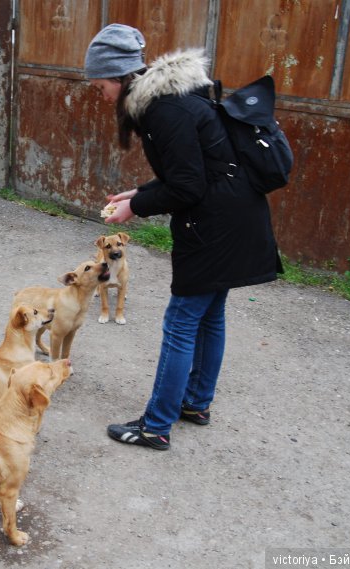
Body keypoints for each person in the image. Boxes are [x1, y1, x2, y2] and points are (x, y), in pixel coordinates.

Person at [84, 24, 283, 451]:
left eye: (99, 85)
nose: (99, 94)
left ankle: (155, 426)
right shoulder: (175, 99)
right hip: (236, 216)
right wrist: (140, 192)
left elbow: (188, 187)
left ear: (119, 78)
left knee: (180, 323)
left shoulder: (162, 111)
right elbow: (194, 169)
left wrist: (133, 209)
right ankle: (195, 403)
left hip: (214, 227)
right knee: (210, 316)